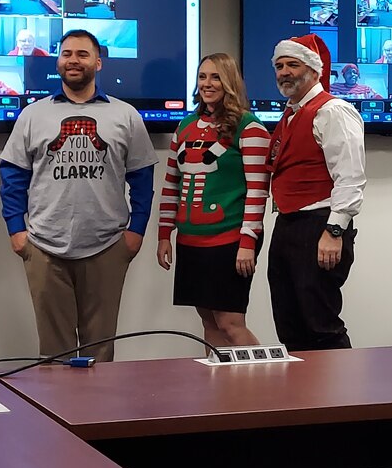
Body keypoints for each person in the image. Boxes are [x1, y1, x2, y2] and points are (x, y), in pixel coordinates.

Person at [0, 29, 157, 362]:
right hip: (44, 246)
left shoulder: (125, 115)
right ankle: (58, 414)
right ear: (57, 61)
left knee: (100, 349)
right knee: (53, 352)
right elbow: (12, 175)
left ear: (98, 63)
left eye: (82, 54)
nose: (74, 60)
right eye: (67, 53)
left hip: (107, 245)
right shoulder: (33, 114)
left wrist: (136, 232)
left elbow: (142, 178)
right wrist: (16, 229)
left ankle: (97, 414)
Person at [156, 53, 270, 349]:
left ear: (229, 82)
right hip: (191, 241)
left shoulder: (250, 126)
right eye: (203, 76)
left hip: (230, 240)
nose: (207, 84)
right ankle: (222, 390)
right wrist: (164, 235)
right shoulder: (185, 126)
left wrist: (248, 241)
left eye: (216, 77)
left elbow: (258, 190)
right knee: (208, 322)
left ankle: (264, 387)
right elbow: (171, 184)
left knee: (230, 324)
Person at [268, 34, 366, 351]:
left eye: (292, 64)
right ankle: (303, 397)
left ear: (313, 70)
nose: (284, 71)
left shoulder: (333, 111)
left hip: (319, 225)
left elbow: (350, 176)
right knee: (290, 324)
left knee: (320, 324)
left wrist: (334, 230)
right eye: (279, 65)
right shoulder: (291, 114)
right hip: (289, 224)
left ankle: (342, 399)